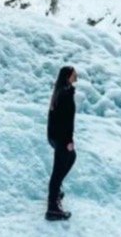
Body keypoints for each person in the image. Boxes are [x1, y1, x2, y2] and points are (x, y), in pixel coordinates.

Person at [45, 65, 77, 221]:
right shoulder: (65, 94)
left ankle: (55, 191)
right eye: (74, 74)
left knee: (71, 158)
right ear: (68, 76)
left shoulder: (60, 91)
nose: (76, 77)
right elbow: (66, 120)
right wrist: (68, 140)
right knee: (58, 171)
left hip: (55, 136)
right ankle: (53, 208)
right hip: (61, 137)